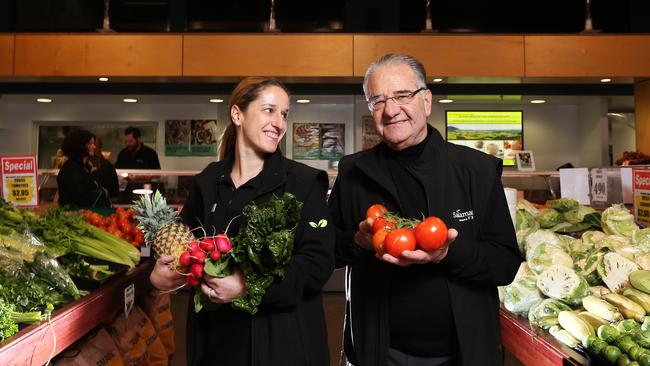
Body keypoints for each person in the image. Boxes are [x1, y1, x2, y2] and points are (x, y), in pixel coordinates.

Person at [328, 54, 522, 366]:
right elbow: (326, 252)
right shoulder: (353, 171)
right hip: (377, 352)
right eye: (378, 101)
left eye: (403, 95)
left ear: (427, 101)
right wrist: (358, 242)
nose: (391, 110)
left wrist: (448, 254)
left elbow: (505, 264)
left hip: (462, 354)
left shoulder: (477, 171)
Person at [149, 77, 335, 366]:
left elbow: (317, 263)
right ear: (237, 114)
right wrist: (161, 274)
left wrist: (248, 286)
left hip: (282, 344)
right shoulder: (208, 181)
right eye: (269, 110)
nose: (279, 122)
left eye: (284, 114)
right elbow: (183, 246)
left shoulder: (304, 183)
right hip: (215, 343)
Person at [57, 129, 111, 209]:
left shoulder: (85, 166)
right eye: (90, 143)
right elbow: (82, 197)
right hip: (74, 216)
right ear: (80, 145)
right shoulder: (71, 169)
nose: (94, 146)